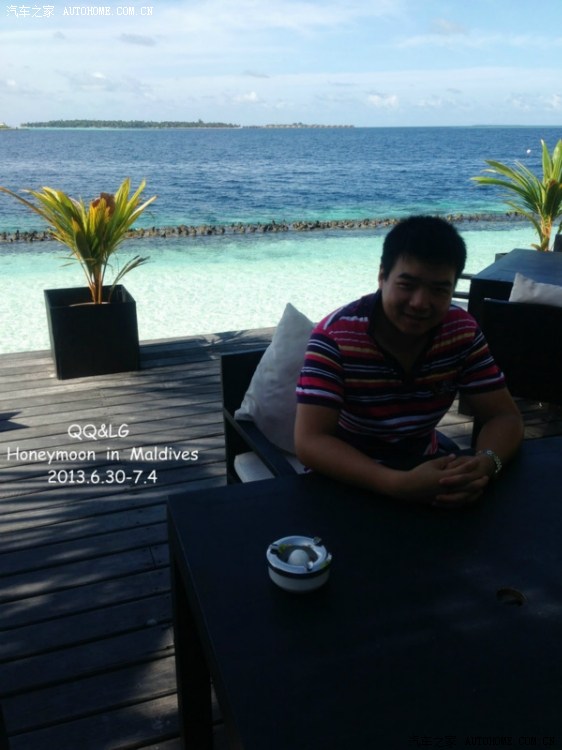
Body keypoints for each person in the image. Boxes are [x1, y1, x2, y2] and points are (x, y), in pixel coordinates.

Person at [294, 215, 523, 507]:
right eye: (407, 284)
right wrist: (395, 484)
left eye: (439, 290)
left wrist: (487, 464)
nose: (420, 303)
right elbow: (310, 441)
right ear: (382, 276)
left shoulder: (461, 332)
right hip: (346, 482)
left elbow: (504, 417)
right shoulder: (335, 337)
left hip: (427, 469)